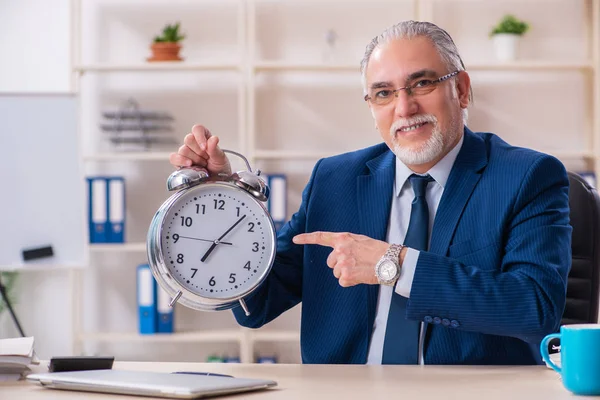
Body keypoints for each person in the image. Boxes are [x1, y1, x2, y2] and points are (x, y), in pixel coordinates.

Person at [169, 20, 571, 365]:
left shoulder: (527, 176)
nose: (405, 107)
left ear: (462, 90)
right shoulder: (335, 179)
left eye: (422, 83)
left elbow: (535, 308)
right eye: (384, 93)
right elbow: (259, 301)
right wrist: (225, 200)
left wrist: (394, 264)